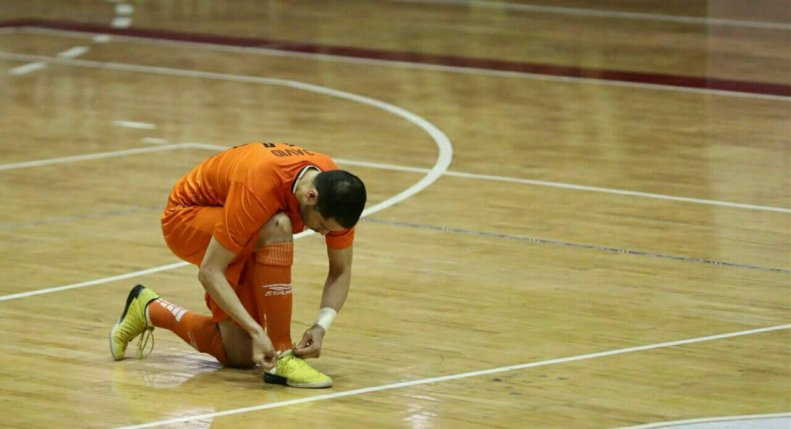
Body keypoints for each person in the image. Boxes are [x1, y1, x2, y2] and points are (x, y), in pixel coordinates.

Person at [109, 142, 366, 389]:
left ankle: (149, 309)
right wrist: (257, 331)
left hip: (244, 226)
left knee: (241, 354)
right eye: (322, 226)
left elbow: (341, 271)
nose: (323, 234)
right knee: (278, 225)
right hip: (185, 218)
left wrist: (321, 325)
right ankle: (283, 353)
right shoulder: (260, 184)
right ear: (310, 196)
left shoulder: (337, 192)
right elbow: (210, 271)